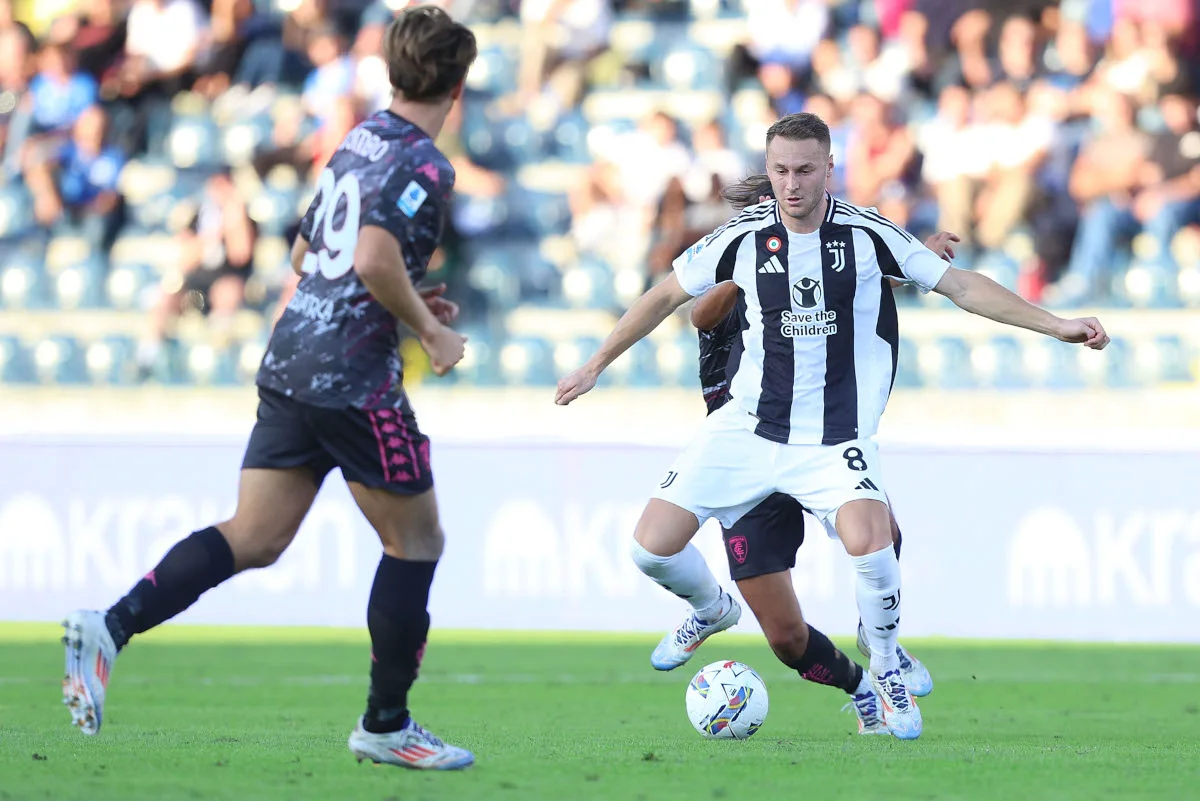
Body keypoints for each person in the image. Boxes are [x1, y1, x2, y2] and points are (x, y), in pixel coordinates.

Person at [556, 112, 1110, 740]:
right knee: (647, 547)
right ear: (769, 173)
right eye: (781, 171)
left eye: (805, 170)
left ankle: (886, 668)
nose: (792, 185)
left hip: (833, 436)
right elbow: (666, 298)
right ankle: (711, 609)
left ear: (829, 171)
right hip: (746, 429)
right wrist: (595, 363)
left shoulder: (869, 234)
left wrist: (1057, 324)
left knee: (872, 543)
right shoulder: (740, 239)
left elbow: (959, 285)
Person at [62, 6, 478, 771]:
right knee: (416, 539)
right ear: (459, 80)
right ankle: (386, 723)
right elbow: (377, 256)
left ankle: (110, 624)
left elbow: (302, 252)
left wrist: (407, 298)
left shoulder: (358, 139)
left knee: (254, 536)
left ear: (395, 69)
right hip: (351, 378)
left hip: (292, 358)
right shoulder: (424, 161)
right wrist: (428, 326)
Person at [685, 179, 940, 736]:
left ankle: (881, 646)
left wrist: (916, 257)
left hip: (818, 441)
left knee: (881, 535)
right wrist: (754, 256)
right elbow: (700, 316)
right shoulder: (737, 270)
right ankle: (861, 688)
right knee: (785, 638)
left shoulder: (822, 264)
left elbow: (860, 271)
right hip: (748, 459)